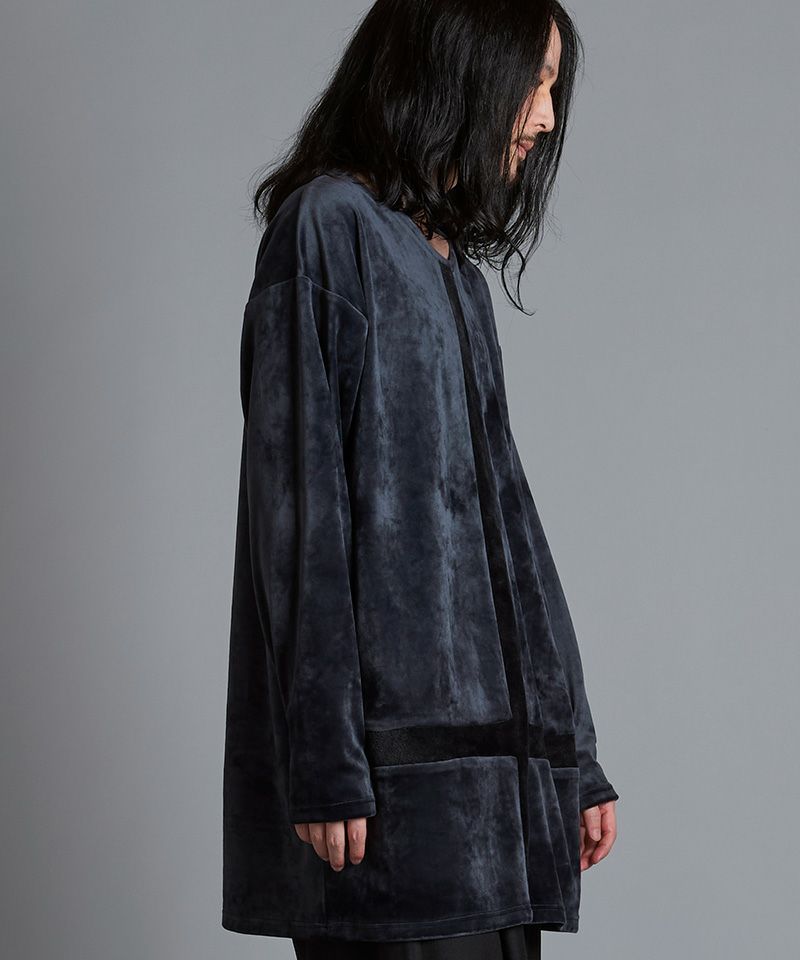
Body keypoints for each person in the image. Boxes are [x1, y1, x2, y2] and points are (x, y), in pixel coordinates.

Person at [222, 2, 619, 958]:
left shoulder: (453, 272)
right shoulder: (328, 230)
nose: (545, 116)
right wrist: (325, 765)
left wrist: (573, 756)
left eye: (552, 86)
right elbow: (298, 519)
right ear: (459, 66)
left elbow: (508, 527)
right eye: (533, 82)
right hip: (388, 804)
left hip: (498, 799)